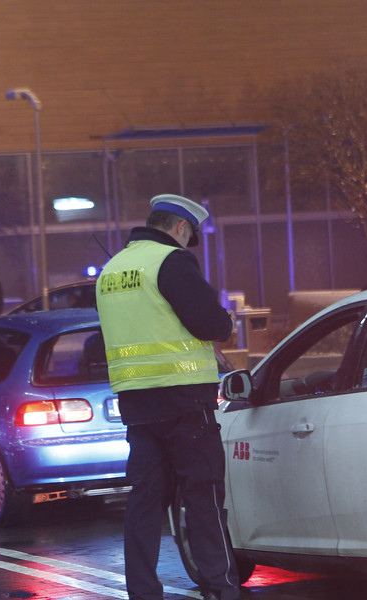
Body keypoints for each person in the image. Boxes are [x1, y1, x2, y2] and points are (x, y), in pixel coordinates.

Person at [95, 194, 240, 600]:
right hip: (185, 404)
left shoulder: (112, 269)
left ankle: (142, 592)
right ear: (180, 228)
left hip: (138, 407)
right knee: (203, 498)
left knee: (144, 504)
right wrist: (221, 312)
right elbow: (213, 324)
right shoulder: (171, 261)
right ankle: (222, 589)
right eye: (189, 234)